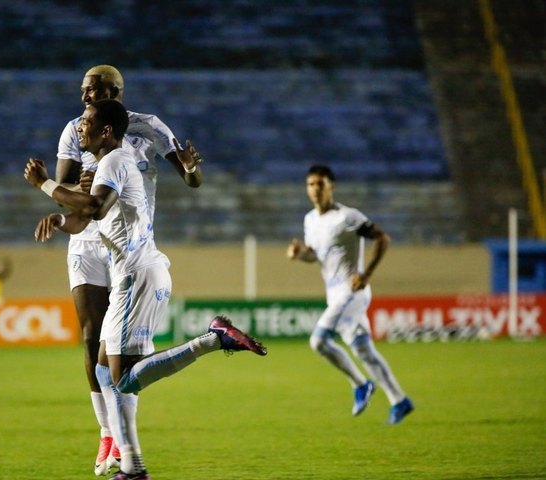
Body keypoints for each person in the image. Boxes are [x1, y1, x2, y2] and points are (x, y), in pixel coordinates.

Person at [24, 99, 267, 480]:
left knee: (122, 379)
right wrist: (59, 219)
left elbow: (94, 206)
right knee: (106, 375)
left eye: (87, 121)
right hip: (134, 274)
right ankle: (132, 466)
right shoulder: (109, 164)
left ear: (107, 131)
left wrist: (45, 184)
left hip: (137, 277)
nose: (79, 126)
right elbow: (88, 215)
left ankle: (212, 340)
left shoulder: (116, 161)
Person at [53, 65, 204, 475]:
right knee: (92, 339)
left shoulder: (148, 127)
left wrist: (190, 169)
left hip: (129, 243)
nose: (86, 97)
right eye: (83, 89)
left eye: (94, 89)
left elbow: (192, 178)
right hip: (88, 237)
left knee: (118, 359)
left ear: (115, 91)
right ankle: (110, 436)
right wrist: (74, 188)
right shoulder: (76, 128)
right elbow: (65, 183)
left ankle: (128, 453)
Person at [286, 164, 413, 425]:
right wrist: (300, 254)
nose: (315, 189)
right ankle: (399, 401)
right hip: (334, 296)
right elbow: (316, 255)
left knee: (318, 341)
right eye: (310, 184)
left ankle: (360, 384)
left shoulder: (347, 217)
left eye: (320, 184)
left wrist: (366, 275)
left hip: (352, 292)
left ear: (331, 186)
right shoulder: (310, 220)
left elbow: (382, 239)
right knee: (363, 350)